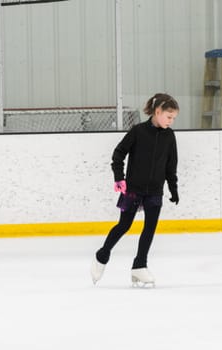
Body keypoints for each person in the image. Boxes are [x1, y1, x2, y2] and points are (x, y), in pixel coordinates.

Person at [90, 93, 179, 287]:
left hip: (155, 190)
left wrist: (173, 188)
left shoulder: (170, 136)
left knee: (149, 228)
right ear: (157, 112)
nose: (171, 121)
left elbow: (171, 166)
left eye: (173, 118)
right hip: (133, 189)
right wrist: (119, 177)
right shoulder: (138, 132)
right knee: (124, 225)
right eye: (169, 117)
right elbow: (118, 153)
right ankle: (102, 255)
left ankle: (140, 265)